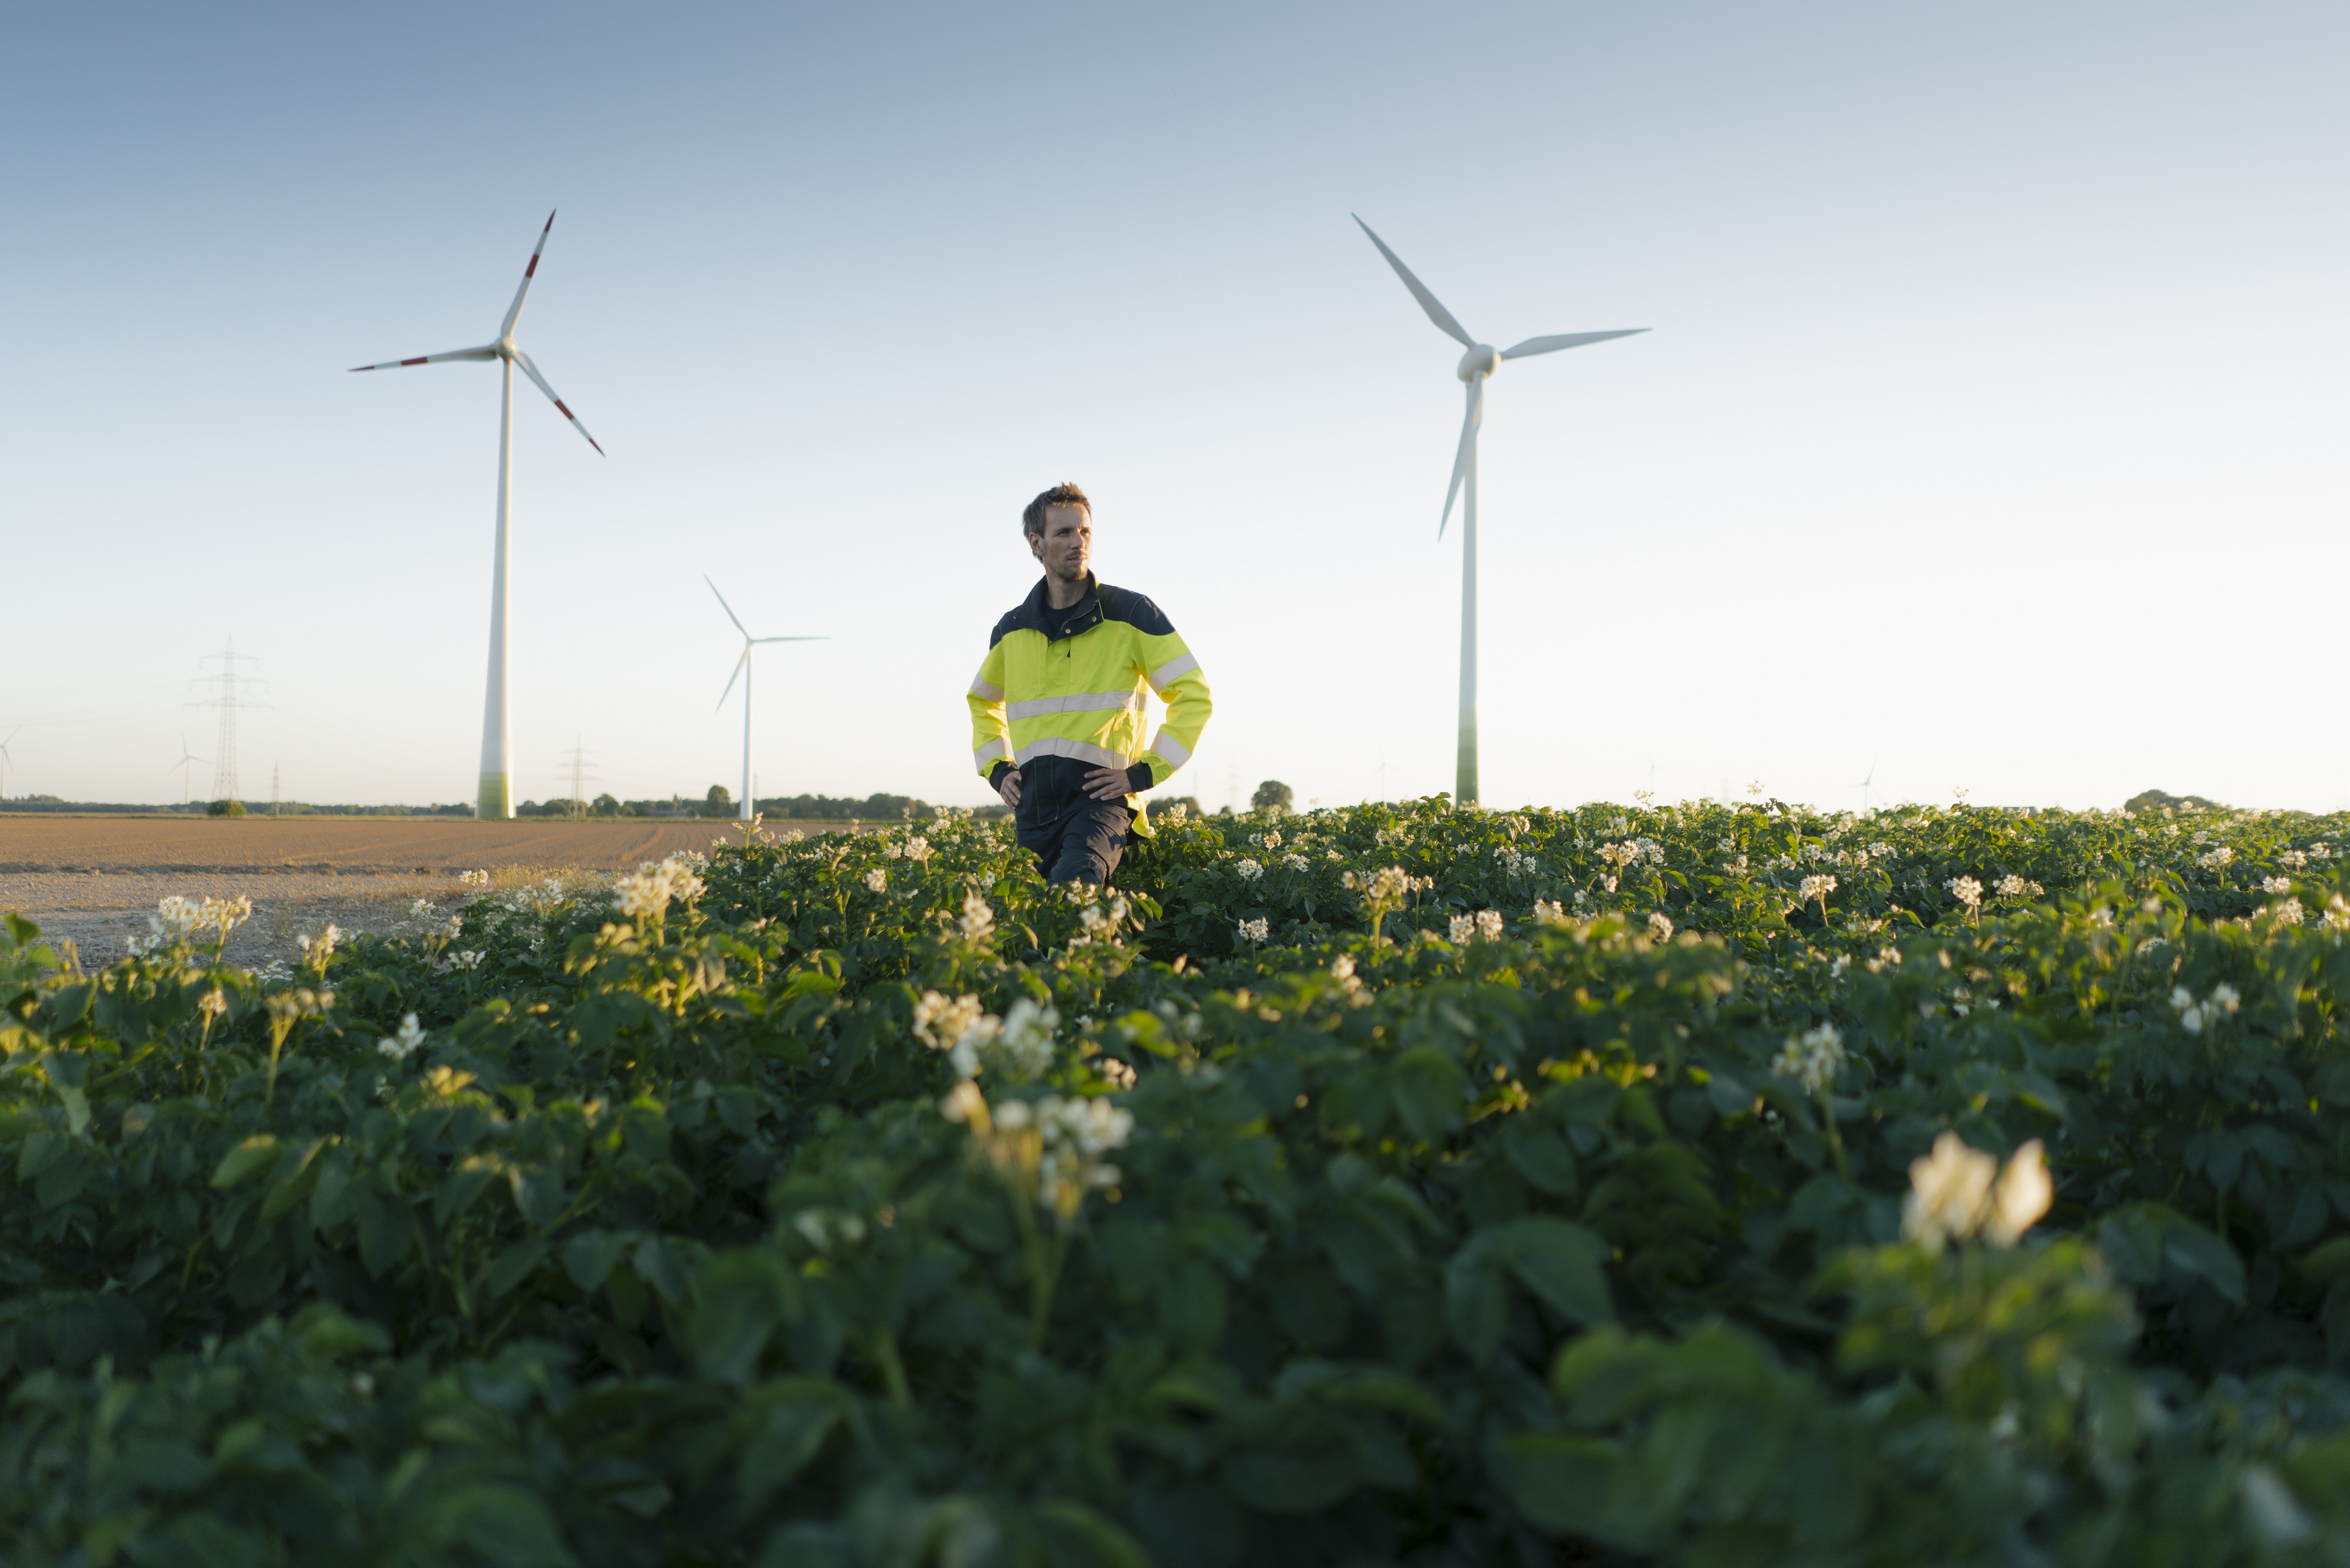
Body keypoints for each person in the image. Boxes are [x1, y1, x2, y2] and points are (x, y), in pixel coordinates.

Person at [967, 482, 1213, 885]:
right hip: (1034, 807)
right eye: (1063, 532)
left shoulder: (1132, 613)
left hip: (1102, 802)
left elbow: (1195, 695)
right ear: (1037, 543)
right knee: (1033, 923)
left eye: (1084, 531)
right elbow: (982, 702)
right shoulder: (1011, 629)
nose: (1078, 542)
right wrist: (998, 770)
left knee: (1075, 890)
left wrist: (1143, 774)